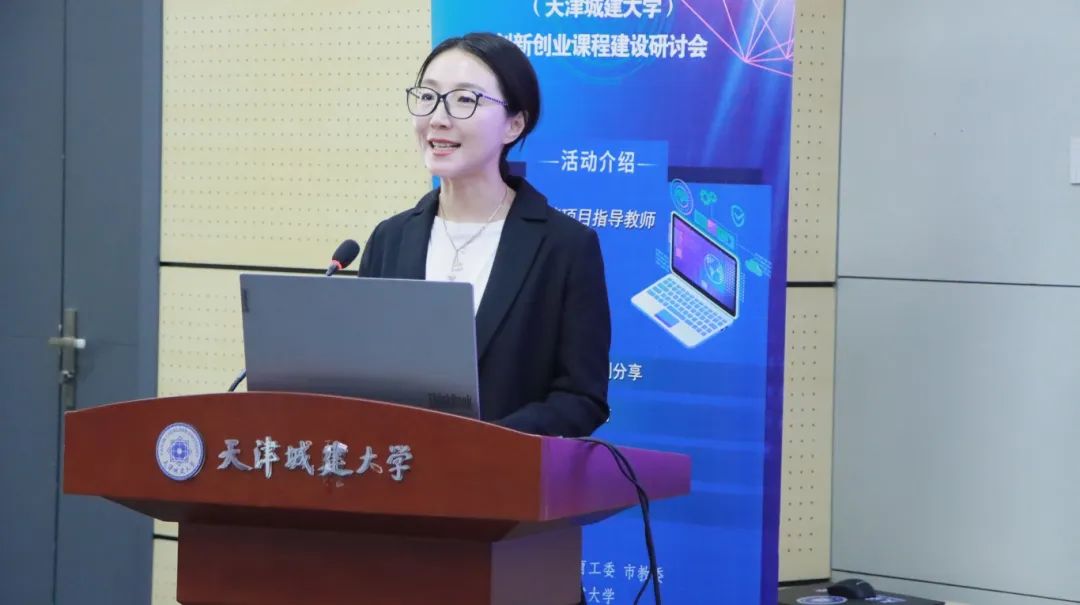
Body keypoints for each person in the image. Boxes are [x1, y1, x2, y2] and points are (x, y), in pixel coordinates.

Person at [357, 32, 610, 439]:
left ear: (514, 124)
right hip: (396, 468)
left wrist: (485, 444)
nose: (438, 118)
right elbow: (363, 372)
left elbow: (581, 398)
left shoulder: (565, 247)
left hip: (503, 474)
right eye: (428, 96)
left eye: (464, 99)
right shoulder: (390, 238)